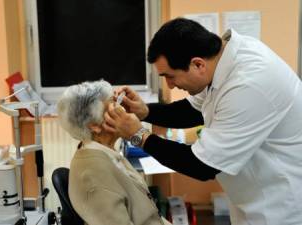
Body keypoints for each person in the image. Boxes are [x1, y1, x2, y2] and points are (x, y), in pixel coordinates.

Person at [103, 18, 302, 225]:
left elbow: (202, 166)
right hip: (254, 198)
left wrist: (138, 136)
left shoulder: (249, 84)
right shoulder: (222, 61)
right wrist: (144, 112)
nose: (170, 86)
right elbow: (192, 111)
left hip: (282, 208)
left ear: (197, 64)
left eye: (170, 76)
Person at [57, 80, 171, 225]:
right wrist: (140, 134)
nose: (123, 111)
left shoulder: (107, 153)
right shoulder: (93, 175)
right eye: (114, 106)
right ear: (95, 126)